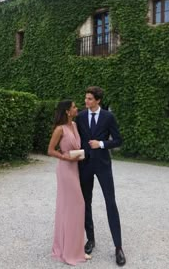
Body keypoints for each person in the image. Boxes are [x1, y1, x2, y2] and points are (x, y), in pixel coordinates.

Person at [76, 86, 126, 267]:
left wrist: (102, 144)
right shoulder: (80, 116)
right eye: (86, 98)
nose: (86, 101)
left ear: (97, 100)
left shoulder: (108, 117)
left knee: (110, 203)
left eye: (89, 99)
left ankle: (118, 247)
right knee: (85, 202)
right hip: (85, 165)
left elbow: (118, 140)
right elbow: (77, 138)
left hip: (103, 165)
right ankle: (90, 239)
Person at [48, 100, 91, 265]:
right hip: (65, 170)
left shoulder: (74, 125)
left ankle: (74, 248)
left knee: (71, 208)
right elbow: (50, 150)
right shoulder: (60, 129)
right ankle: (69, 251)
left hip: (75, 168)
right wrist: (63, 156)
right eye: (74, 107)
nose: (76, 108)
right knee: (77, 205)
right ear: (67, 111)